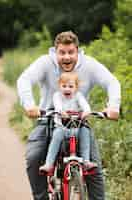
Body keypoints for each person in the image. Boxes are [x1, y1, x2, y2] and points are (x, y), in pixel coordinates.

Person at [17, 31, 121, 200]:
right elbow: (24, 79)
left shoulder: (89, 65)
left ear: (77, 51)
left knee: (94, 170)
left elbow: (112, 82)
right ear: (55, 51)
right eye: (62, 52)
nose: (66, 57)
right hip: (48, 118)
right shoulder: (45, 63)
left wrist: (113, 107)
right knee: (34, 157)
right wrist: (30, 105)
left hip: (79, 121)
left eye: (70, 52)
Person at [39, 72, 97, 172]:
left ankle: (86, 162)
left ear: (76, 87)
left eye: (70, 86)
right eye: (64, 86)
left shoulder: (78, 96)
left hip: (77, 127)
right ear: (59, 86)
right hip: (62, 127)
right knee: (56, 136)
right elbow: (58, 106)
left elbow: (85, 105)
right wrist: (61, 112)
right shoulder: (57, 96)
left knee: (85, 132)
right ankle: (49, 164)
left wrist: (86, 112)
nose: (67, 89)